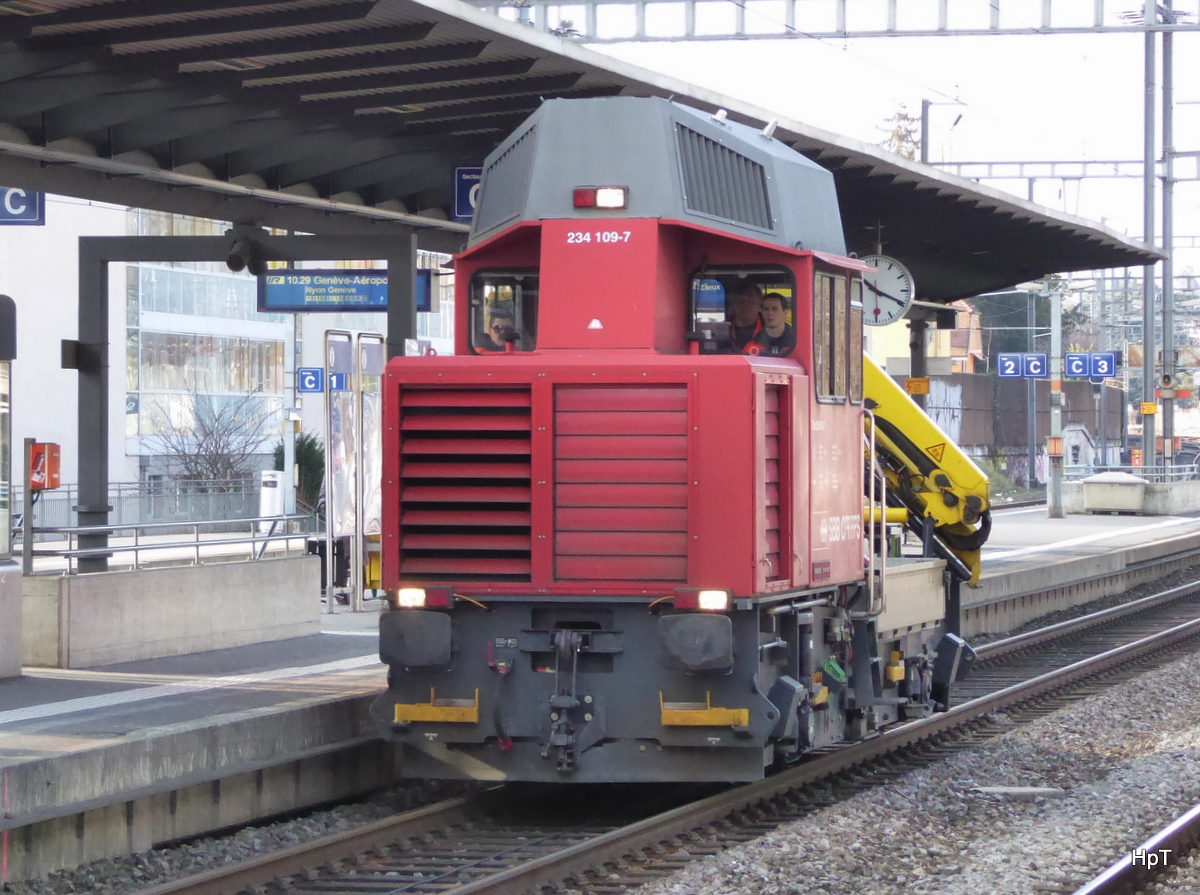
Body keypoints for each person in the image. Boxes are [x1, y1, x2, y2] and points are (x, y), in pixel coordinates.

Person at [745, 292, 796, 357]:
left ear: (785, 313)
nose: (770, 313)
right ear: (762, 314)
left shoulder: (796, 343)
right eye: (766, 309)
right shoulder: (752, 346)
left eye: (775, 309)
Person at [727, 281, 763, 350]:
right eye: (741, 301)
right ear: (734, 304)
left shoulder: (771, 330)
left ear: (759, 305)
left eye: (750, 301)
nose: (746, 306)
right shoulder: (722, 329)